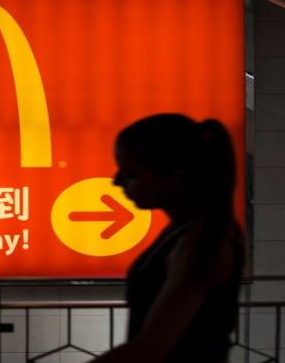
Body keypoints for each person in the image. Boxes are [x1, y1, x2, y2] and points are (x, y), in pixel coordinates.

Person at [91, 113, 245, 363]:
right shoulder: (193, 233)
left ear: (174, 176)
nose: (117, 181)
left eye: (131, 174)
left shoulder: (198, 243)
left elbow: (151, 349)